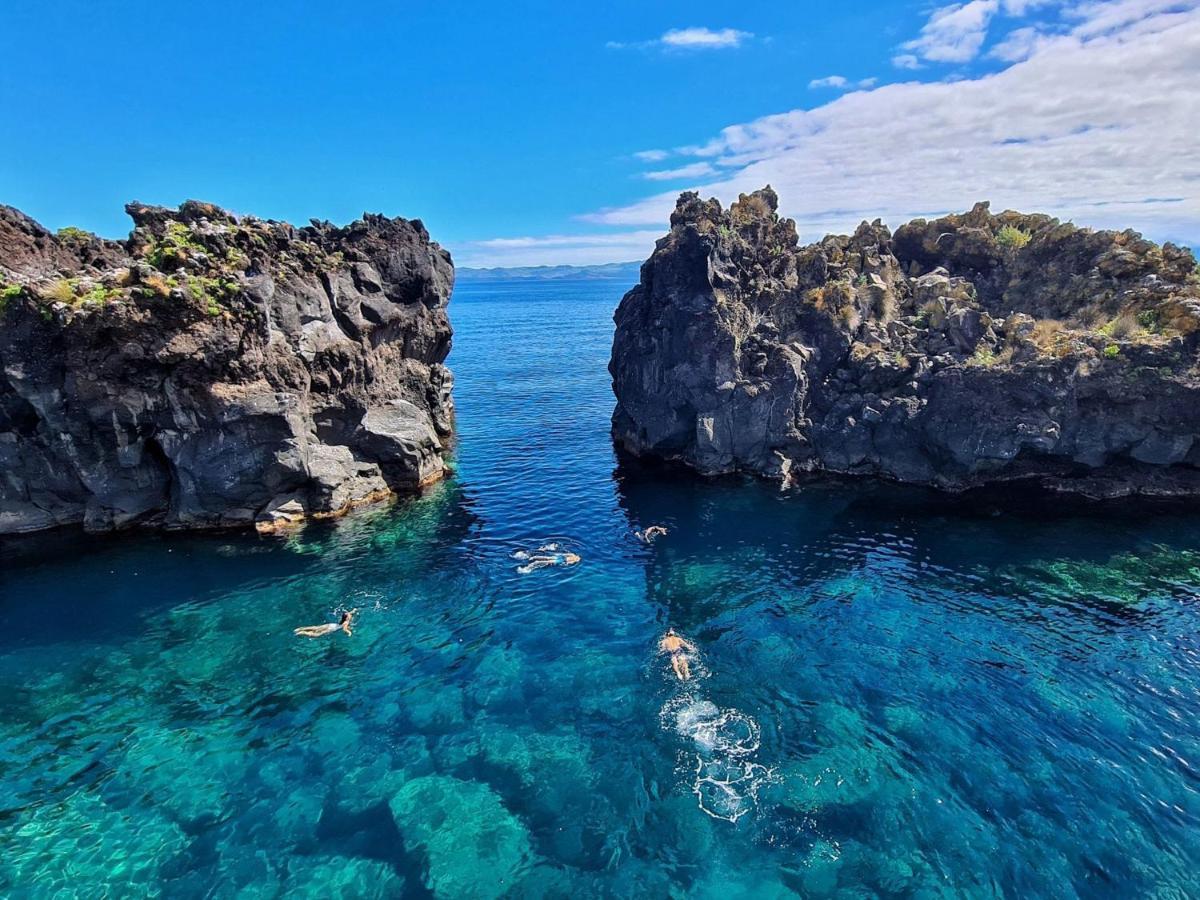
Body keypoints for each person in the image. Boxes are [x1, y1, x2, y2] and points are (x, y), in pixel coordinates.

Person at [515, 548, 581, 574]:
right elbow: (567, 563)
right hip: (560, 559)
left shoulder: (572, 555)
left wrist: (557, 554)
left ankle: (533, 557)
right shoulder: (574, 561)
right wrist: (564, 564)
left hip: (560, 558)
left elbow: (564, 554)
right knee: (547, 561)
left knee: (547, 558)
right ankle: (530, 566)